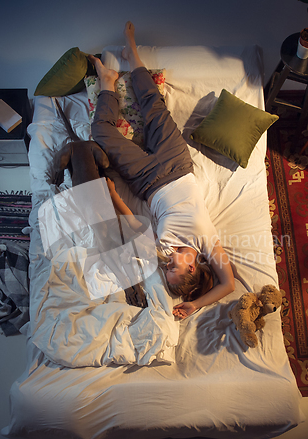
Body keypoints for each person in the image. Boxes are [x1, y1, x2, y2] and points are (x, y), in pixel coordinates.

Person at [89, 22, 235, 319]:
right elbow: (228, 284)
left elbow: (134, 224)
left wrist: (114, 196)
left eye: (166, 270)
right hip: (177, 163)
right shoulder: (206, 240)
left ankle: (107, 81)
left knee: (100, 132)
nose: (167, 265)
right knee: (154, 106)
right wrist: (198, 303)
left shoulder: (163, 251)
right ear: (192, 267)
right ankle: (132, 53)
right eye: (173, 269)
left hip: (146, 179)